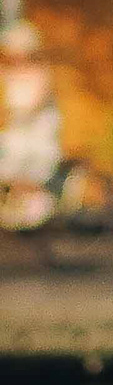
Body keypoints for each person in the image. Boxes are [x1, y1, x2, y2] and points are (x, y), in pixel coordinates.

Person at [0, 20, 63, 232]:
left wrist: (13, 113)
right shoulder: (8, 73)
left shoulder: (41, 73)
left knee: (29, 173)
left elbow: (34, 105)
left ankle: (34, 215)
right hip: (16, 133)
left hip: (35, 134)